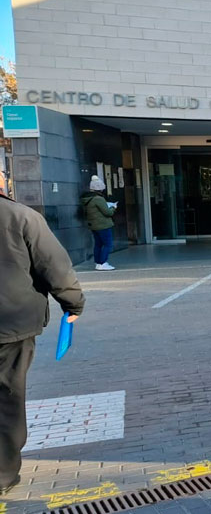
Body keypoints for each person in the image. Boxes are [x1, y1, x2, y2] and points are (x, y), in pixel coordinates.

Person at [0, 175, 85, 496]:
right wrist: (72, 303)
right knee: (7, 397)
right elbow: (55, 266)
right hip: (11, 325)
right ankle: (3, 472)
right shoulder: (22, 217)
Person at [80, 175, 117, 271]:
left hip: (94, 225)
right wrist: (113, 207)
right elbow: (107, 212)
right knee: (108, 244)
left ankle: (98, 263)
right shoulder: (98, 199)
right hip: (103, 225)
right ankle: (103, 262)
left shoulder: (88, 198)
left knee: (98, 244)